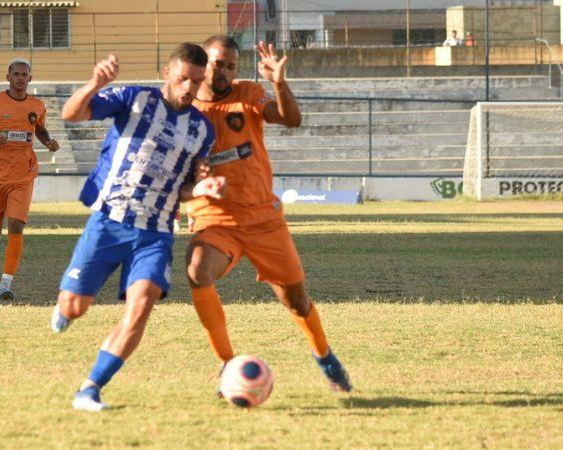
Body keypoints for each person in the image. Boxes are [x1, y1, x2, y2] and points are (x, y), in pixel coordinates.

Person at [50, 43, 226, 412]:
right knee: (76, 305)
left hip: (156, 232)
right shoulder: (133, 99)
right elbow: (71, 113)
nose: (188, 89)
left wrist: (202, 188)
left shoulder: (202, 131)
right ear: (167, 72)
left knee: (142, 304)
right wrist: (94, 83)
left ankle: (91, 388)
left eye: (196, 82)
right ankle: (67, 308)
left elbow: (186, 187)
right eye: (182, 79)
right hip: (109, 221)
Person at [185, 35, 351, 396]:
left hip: (264, 220)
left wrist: (278, 83)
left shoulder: (248, 94)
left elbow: (292, 119)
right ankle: (227, 364)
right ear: (203, 64)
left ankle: (324, 355)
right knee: (198, 270)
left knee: (296, 301)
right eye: (218, 64)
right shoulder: (185, 108)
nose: (226, 72)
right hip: (214, 219)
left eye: (231, 65)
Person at [0, 58, 59, 300]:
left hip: (23, 174)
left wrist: (48, 141)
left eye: (24, 74)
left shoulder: (37, 105)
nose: (20, 78)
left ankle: (5, 284)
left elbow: (38, 128)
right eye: (15, 74)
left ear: (30, 78)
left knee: (16, 224)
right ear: (8, 77)